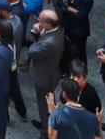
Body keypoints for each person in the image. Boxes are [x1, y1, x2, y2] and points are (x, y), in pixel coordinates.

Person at [27, 10, 65, 139]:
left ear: (48, 24)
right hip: (50, 73)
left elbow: (32, 52)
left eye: (40, 21)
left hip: (44, 78)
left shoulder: (48, 43)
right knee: (49, 103)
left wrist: (36, 34)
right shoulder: (57, 31)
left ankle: (46, 132)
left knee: (45, 107)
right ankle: (46, 126)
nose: (38, 22)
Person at [56, 0, 93, 65]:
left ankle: (81, 71)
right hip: (67, 25)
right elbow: (60, 2)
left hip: (78, 30)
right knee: (66, 48)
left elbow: (80, 16)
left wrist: (67, 7)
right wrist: (73, 9)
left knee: (78, 52)